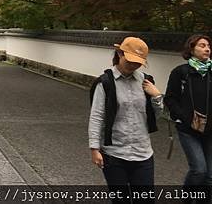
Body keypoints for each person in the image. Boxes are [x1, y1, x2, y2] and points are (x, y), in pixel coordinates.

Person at [88, 37, 163, 203]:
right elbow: (97, 116)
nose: (134, 65)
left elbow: (153, 117)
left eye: (138, 62)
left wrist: (157, 96)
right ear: (119, 54)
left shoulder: (146, 81)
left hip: (143, 153)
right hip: (114, 153)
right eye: (130, 60)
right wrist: (94, 148)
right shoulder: (105, 83)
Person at [164, 34, 212, 201]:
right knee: (199, 170)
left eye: (208, 46)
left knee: (209, 177)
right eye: (202, 45)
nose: (207, 48)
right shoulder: (181, 72)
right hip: (188, 129)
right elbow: (170, 98)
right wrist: (185, 118)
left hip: (210, 130)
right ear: (192, 49)